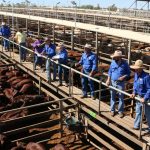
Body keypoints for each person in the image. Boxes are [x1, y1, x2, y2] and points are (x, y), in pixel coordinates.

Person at [106, 50, 130, 118]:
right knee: (112, 96)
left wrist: (123, 77)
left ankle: (120, 111)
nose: (113, 58)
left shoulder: (125, 63)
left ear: (119, 57)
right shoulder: (113, 62)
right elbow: (110, 72)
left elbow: (128, 73)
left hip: (121, 83)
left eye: (115, 57)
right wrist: (108, 80)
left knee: (121, 98)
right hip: (113, 82)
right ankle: (112, 110)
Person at [130, 60, 150, 130]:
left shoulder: (146, 77)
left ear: (141, 69)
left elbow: (149, 89)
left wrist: (145, 98)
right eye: (135, 69)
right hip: (139, 97)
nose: (135, 70)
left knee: (148, 114)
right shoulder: (136, 74)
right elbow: (135, 85)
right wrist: (133, 93)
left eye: (137, 69)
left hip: (146, 99)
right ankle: (136, 126)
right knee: (138, 111)